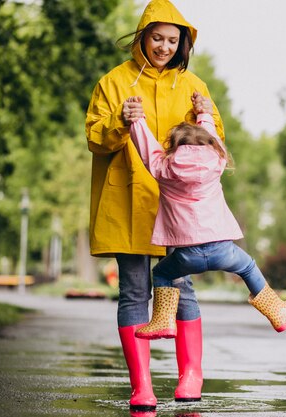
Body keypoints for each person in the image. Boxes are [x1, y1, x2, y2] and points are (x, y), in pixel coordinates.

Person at [85, 0, 224, 411]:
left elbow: (213, 144)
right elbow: (95, 137)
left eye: (172, 39)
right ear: (142, 37)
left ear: (183, 43)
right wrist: (119, 122)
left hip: (178, 205)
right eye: (157, 38)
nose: (164, 46)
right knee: (133, 291)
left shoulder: (193, 84)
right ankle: (141, 386)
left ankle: (190, 375)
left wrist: (205, 116)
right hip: (127, 199)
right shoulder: (113, 82)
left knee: (182, 286)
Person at [125, 94, 286, 341]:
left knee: (163, 274)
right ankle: (277, 311)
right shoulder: (217, 161)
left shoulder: (164, 168)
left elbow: (147, 150)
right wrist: (204, 114)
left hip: (187, 255)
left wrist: (137, 120)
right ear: (210, 144)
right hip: (223, 250)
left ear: (174, 147)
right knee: (249, 266)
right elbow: (214, 138)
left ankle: (163, 321)